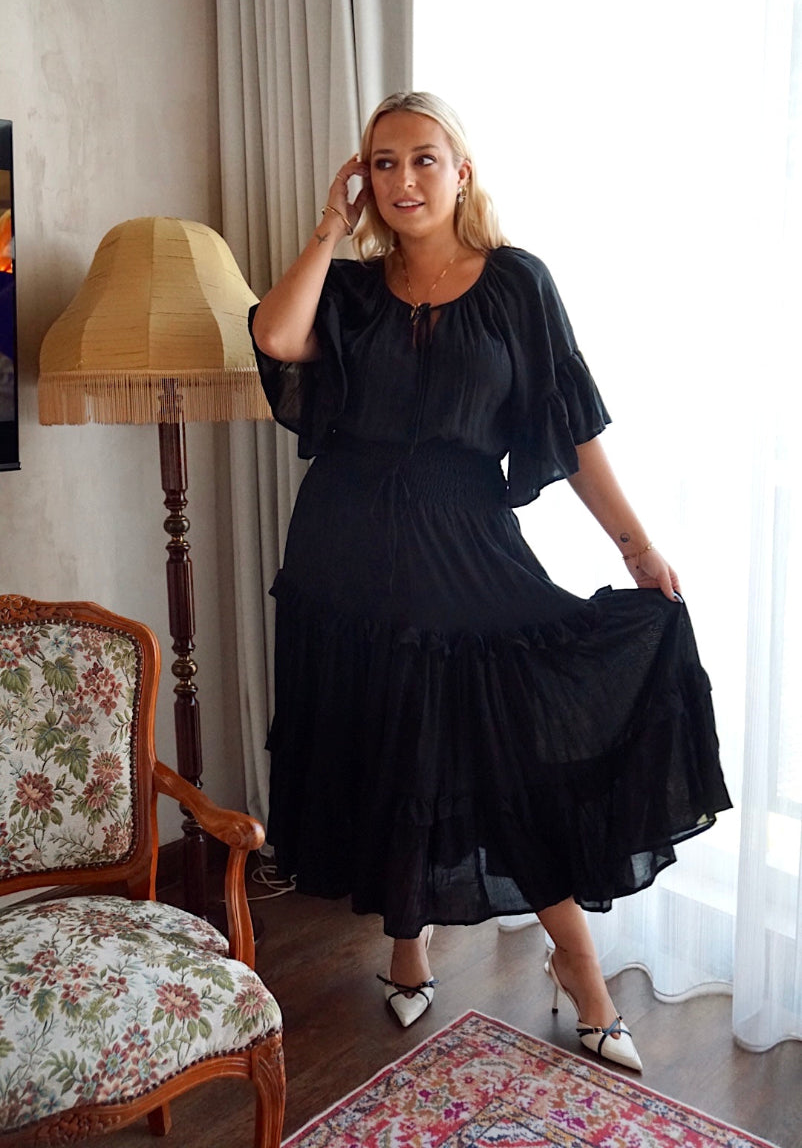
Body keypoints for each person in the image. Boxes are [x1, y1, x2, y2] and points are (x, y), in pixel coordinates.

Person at [249, 91, 731, 1069]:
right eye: (381, 164)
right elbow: (275, 338)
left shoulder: (517, 284)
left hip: (466, 547)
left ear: (461, 171)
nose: (402, 181)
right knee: (386, 745)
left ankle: (581, 976)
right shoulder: (348, 289)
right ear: (362, 180)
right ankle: (406, 949)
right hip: (342, 559)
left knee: (509, 763)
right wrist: (326, 230)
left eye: (423, 159)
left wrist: (635, 549)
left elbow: (572, 424)